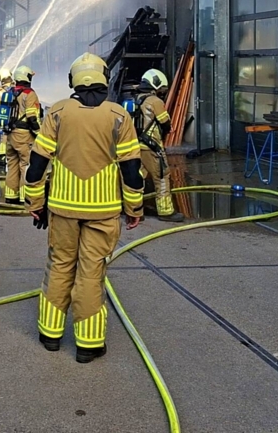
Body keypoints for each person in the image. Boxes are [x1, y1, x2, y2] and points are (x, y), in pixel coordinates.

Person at [24, 53, 144, 363]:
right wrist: (134, 208)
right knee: (91, 273)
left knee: (60, 264)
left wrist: (36, 204)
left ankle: (50, 334)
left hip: (62, 209)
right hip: (103, 212)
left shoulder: (58, 113)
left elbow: (37, 165)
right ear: (104, 77)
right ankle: (88, 344)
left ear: (72, 79)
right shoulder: (119, 116)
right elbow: (132, 170)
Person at [136, 69, 185, 223]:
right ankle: (166, 212)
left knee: (138, 178)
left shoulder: (137, 99)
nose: (162, 92)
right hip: (152, 147)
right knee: (162, 177)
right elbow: (165, 123)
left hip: (137, 145)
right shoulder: (155, 102)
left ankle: (135, 209)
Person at [4, 64, 41, 205]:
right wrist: (39, 133)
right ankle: (23, 197)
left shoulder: (10, 91)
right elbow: (32, 117)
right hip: (24, 135)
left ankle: (10, 195)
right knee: (25, 165)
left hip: (11, 134)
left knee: (12, 164)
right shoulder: (29, 94)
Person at [0, 68, 13, 163]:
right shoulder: (15, 89)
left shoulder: (0, 91)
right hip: (15, 117)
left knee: (3, 136)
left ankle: (2, 157)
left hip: (4, 117)